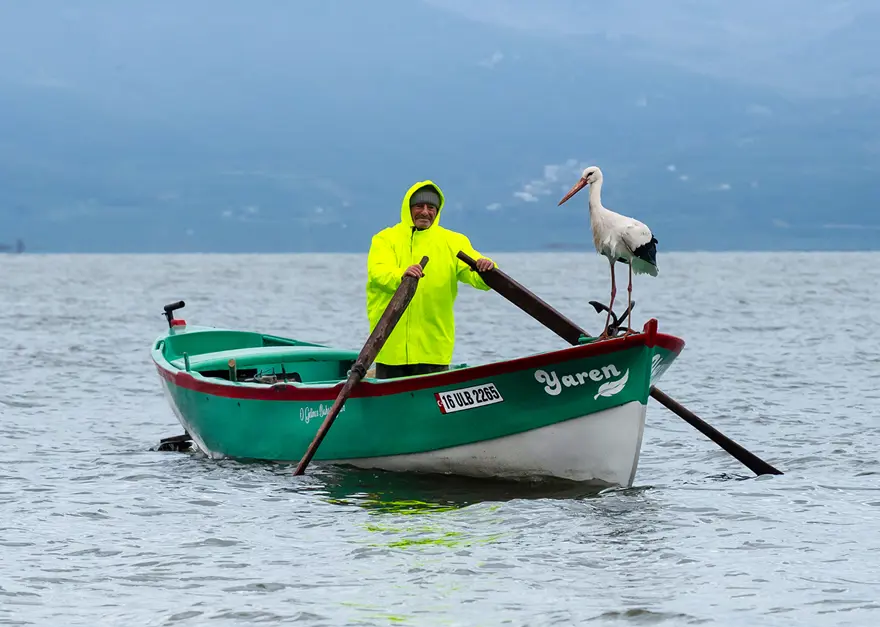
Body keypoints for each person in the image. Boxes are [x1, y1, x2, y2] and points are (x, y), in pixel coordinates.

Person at [366, 179, 496, 379]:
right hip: (389, 345)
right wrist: (402, 275)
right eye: (419, 206)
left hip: (434, 347)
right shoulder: (384, 240)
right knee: (391, 400)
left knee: (431, 399)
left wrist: (486, 269)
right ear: (408, 208)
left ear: (438, 210)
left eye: (431, 207)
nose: (425, 212)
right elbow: (379, 273)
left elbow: (476, 277)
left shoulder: (454, 242)